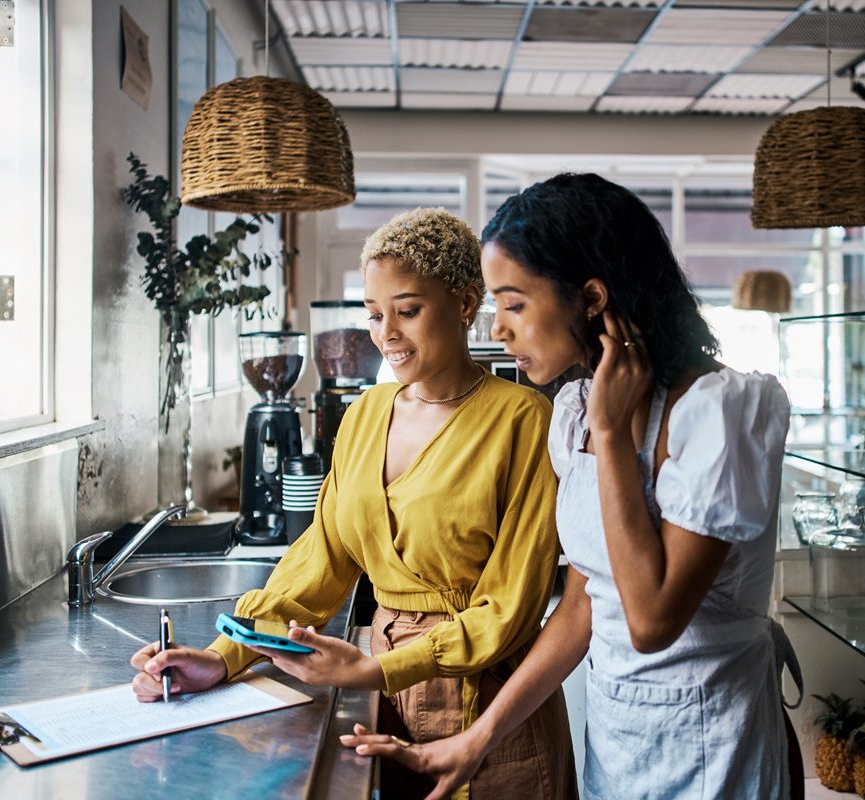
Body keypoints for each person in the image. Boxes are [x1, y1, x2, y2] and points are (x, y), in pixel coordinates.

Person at [347, 174, 803, 799]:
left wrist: (612, 436)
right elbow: (584, 606)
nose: (498, 329)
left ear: (589, 297)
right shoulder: (575, 410)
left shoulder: (720, 411)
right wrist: (476, 741)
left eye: (514, 303)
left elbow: (651, 619)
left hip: (713, 739)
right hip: (617, 739)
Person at [130, 208, 576, 800]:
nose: (385, 333)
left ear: (467, 302)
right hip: (383, 699)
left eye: (407, 311)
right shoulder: (365, 415)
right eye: (373, 314)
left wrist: (377, 669)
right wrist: (226, 654)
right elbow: (320, 560)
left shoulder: (523, 419)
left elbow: (510, 607)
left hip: (490, 707)